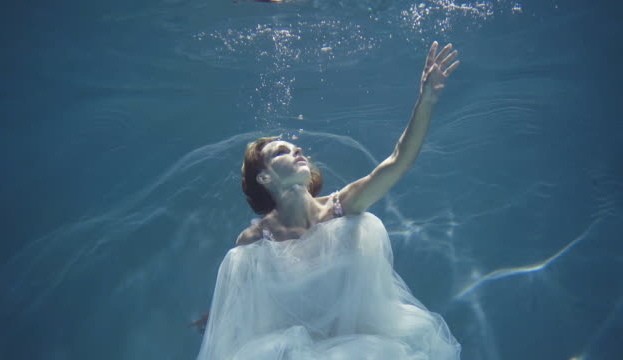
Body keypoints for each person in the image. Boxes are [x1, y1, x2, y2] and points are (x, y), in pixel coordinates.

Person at [196, 42, 461, 360]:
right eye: (281, 151)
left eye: (296, 148)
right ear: (264, 178)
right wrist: (214, 318)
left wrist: (427, 99)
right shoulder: (253, 242)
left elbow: (398, 162)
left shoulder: (342, 206)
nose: (296, 151)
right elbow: (238, 300)